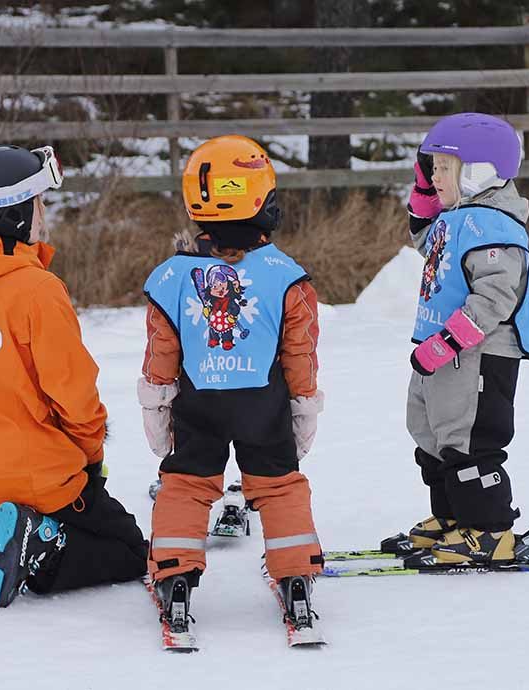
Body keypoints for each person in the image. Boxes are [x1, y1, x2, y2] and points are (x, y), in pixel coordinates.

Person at [0, 144, 147, 609]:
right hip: (29, 477)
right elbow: (74, 392)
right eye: (40, 202)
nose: (45, 213)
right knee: (128, 549)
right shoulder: (37, 290)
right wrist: (88, 457)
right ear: (16, 217)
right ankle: (38, 546)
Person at [139, 135, 325, 632]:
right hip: (263, 404)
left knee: (185, 483)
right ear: (263, 202)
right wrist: (303, 408)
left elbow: (161, 355)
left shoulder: (171, 276)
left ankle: (174, 575)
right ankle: (296, 577)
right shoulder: (287, 276)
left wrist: (156, 408)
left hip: (199, 403)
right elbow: (300, 353)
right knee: (280, 484)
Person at [404, 112, 529, 565]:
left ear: (479, 172)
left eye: (443, 168)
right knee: (433, 435)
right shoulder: (457, 216)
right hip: (441, 353)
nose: (434, 176)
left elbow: (497, 295)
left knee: (470, 442)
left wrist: (448, 343)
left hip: (478, 354)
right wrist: (424, 192)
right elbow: (425, 238)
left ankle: (489, 530)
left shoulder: (495, 227)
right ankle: (453, 518)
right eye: (432, 167)